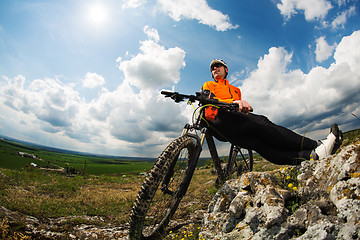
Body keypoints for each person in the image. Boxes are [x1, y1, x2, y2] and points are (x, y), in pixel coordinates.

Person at [201, 59, 342, 165]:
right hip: (220, 119)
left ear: (226, 69)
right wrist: (233, 103)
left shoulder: (236, 90)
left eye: (218, 65)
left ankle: (311, 156)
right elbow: (208, 99)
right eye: (212, 68)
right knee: (262, 122)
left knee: (260, 144)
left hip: (236, 122)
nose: (214, 68)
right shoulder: (209, 84)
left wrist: (241, 106)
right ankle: (316, 145)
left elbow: (241, 110)